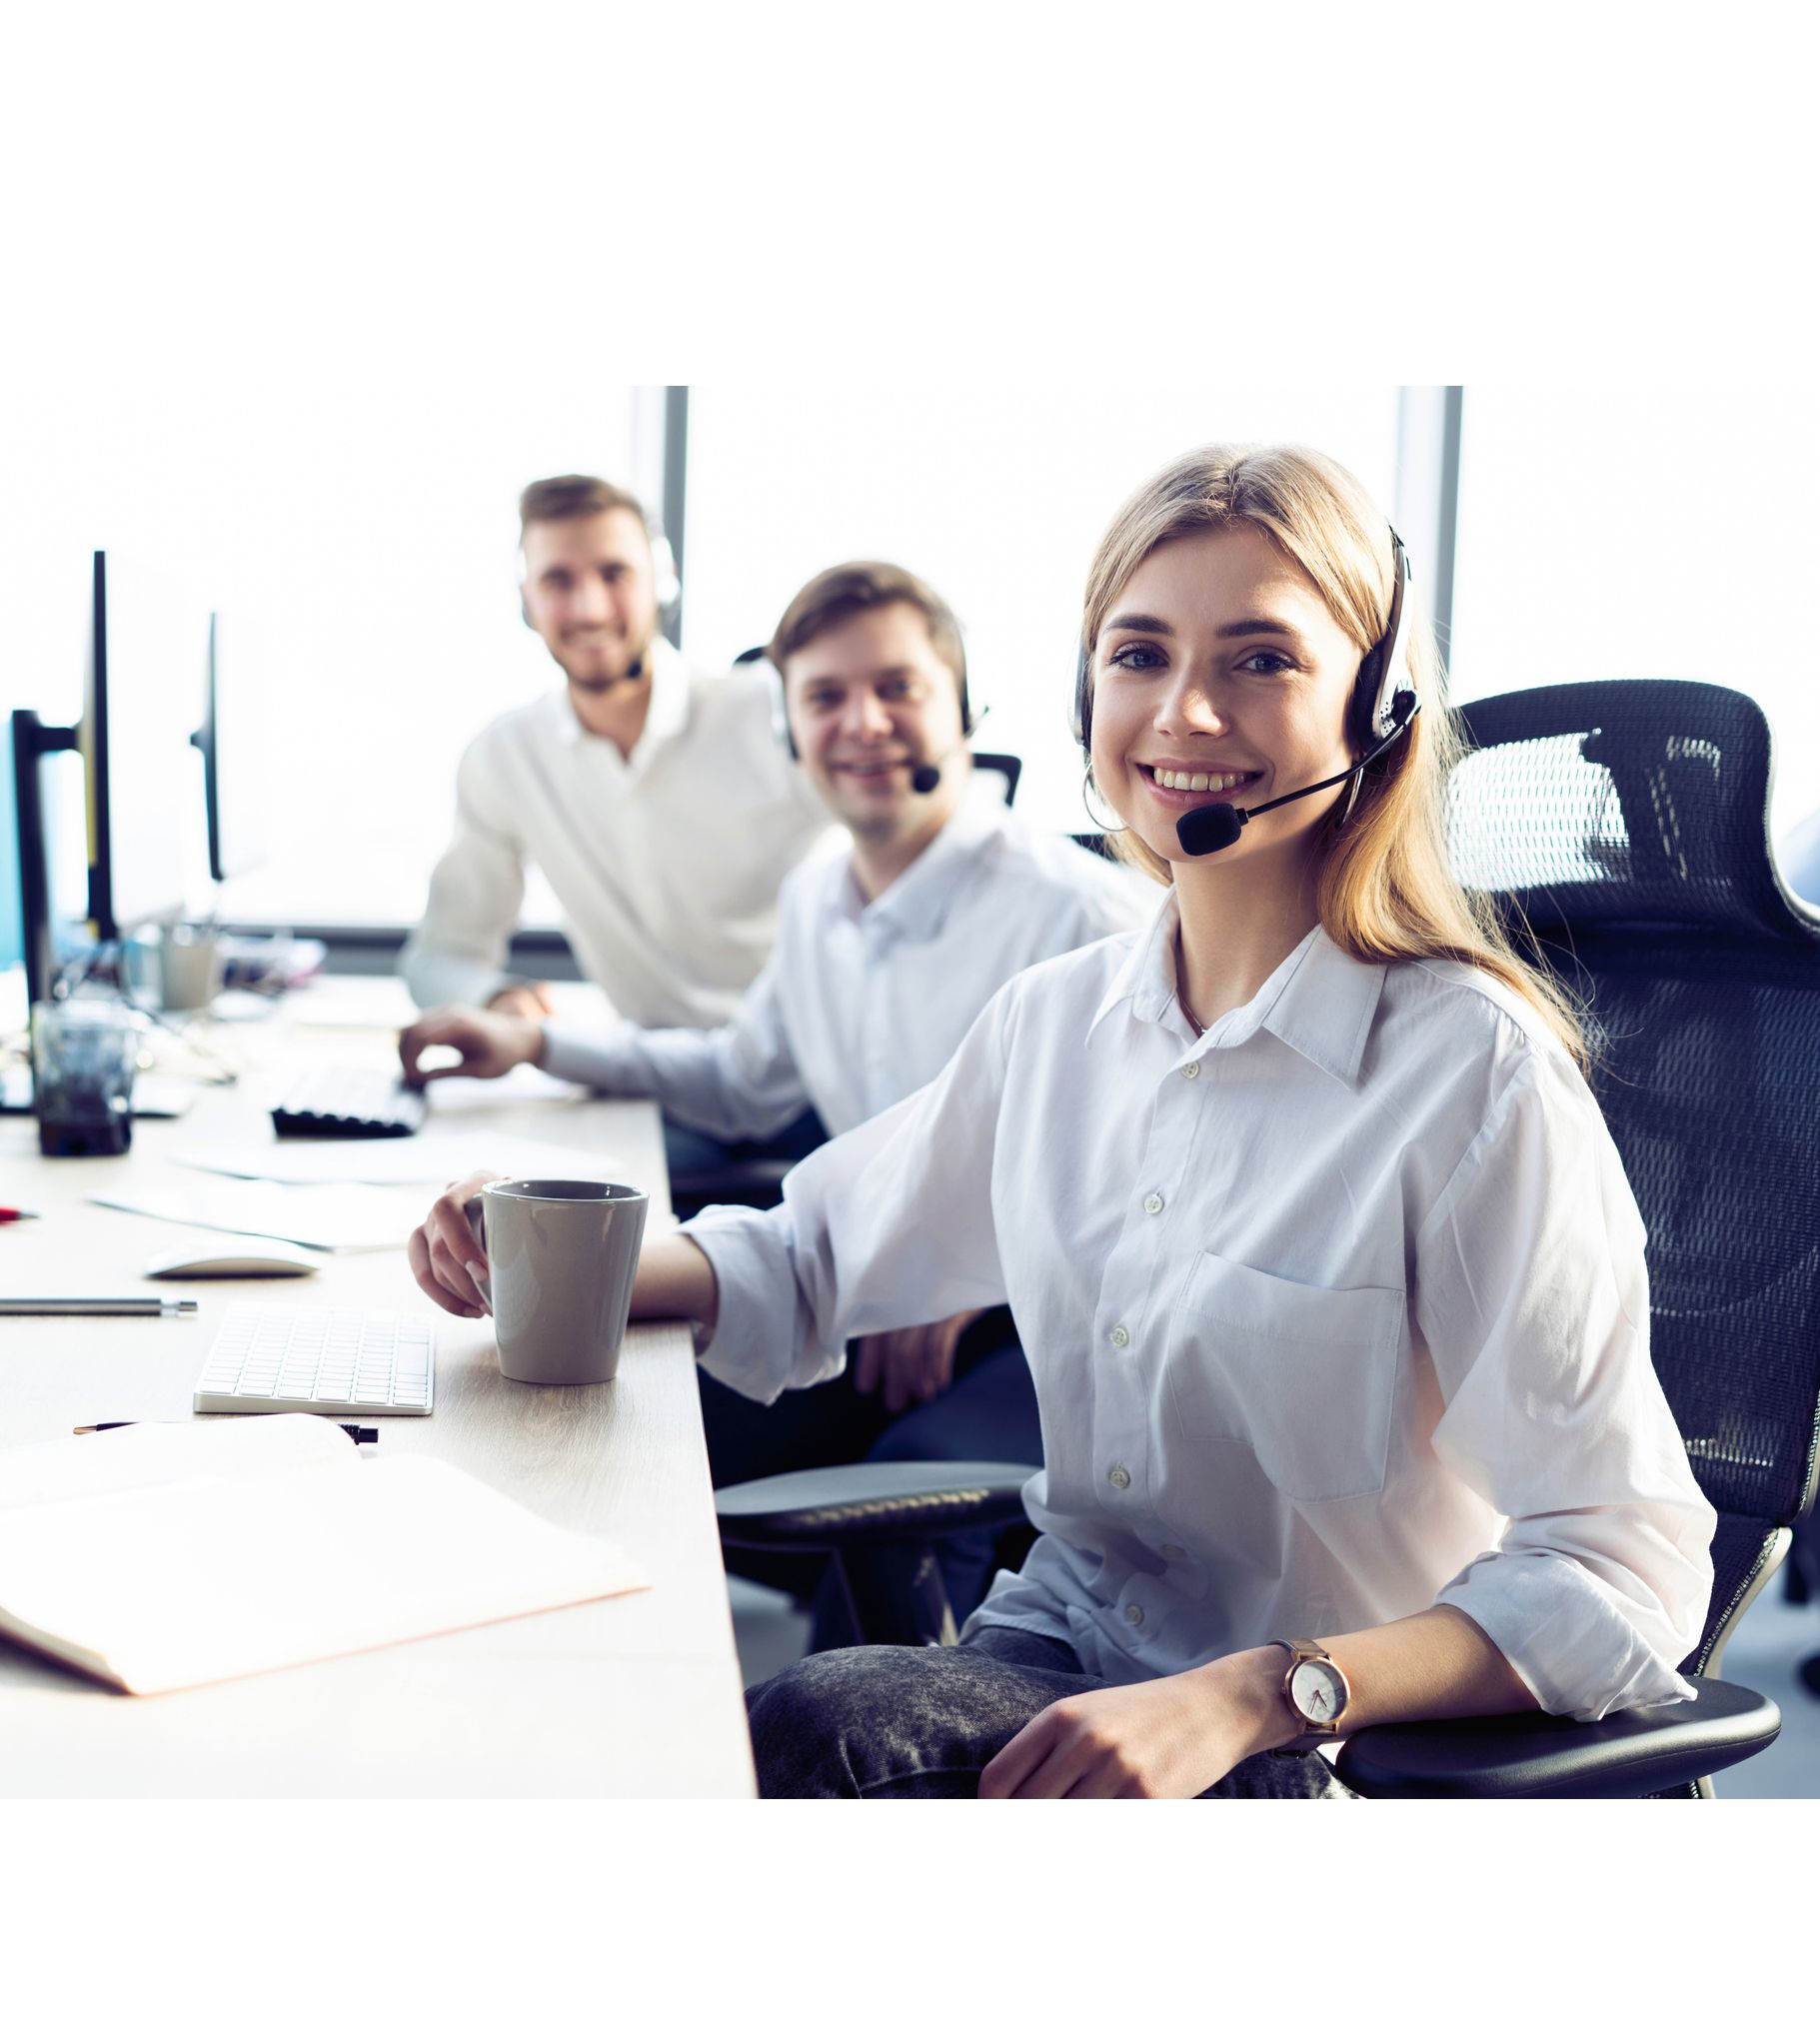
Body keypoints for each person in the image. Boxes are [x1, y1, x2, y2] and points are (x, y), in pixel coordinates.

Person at [412, 445, 1716, 1799]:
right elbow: (807, 1257)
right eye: (1139, 655)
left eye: (1260, 659)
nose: (1184, 712)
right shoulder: (1061, 1026)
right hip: (1063, 1662)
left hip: (1324, 1745)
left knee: (797, 1743)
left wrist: (1265, 1692)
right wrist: (535, 1243)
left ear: (1376, 708)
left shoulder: (1467, 1074)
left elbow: (1624, 1568)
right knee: (664, 1731)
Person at [402, 559, 1152, 1641]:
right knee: (599, 1412)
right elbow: (741, 1078)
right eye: (827, 697)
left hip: (1057, 1336)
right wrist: (535, 1040)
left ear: (966, 710)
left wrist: (971, 1278)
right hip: (876, 1297)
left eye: (899, 687)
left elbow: (1167, 1186)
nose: (865, 722)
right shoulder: (817, 897)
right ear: (791, 734)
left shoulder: (1079, 915)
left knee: (902, 1506)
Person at [400, 474, 832, 1026]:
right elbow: (439, 957)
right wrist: (496, 998)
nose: (589, 608)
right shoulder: (504, 759)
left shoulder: (771, 716)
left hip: (807, 1076)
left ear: (662, 583)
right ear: (525, 601)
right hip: (647, 1081)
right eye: (557, 580)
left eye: (615, 574)